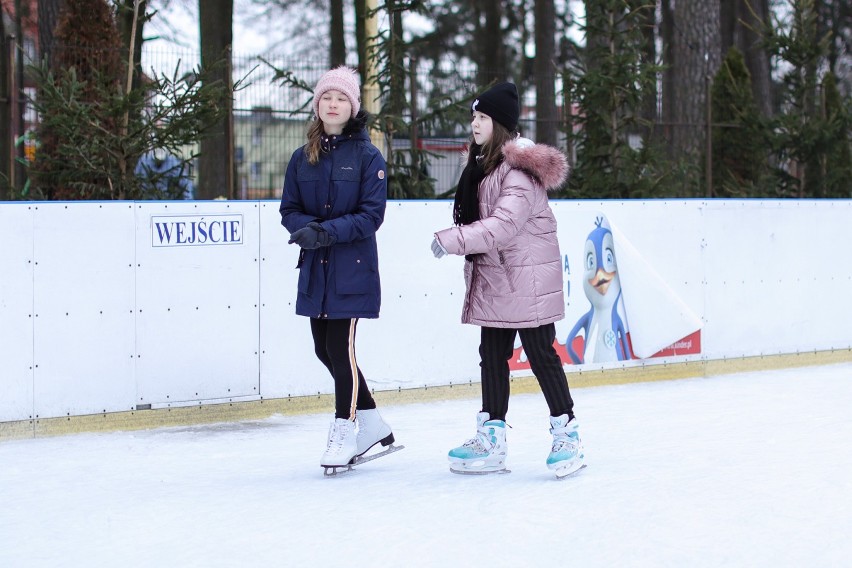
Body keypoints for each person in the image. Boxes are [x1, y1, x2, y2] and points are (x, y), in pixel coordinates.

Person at [431, 82, 584, 477]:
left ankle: (566, 432)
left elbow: (502, 225)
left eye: (482, 117)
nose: (474, 124)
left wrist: (453, 241)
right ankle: (492, 437)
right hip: (497, 277)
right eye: (473, 116)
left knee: (541, 355)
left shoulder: (518, 173)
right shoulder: (483, 166)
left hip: (528, 280)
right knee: (492, 357)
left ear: (499, 124)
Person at [280, 66, 394, 471]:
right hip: (316, 267)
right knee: (322, 348)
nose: (333, 104)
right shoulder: (302, 157)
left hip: (351, 268)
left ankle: (345, 430)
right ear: (318, 105)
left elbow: (370, 216)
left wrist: (324, 233)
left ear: (352, 107)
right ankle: (374, 423)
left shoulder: (367, 157)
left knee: (340, 349)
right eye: (327, 97)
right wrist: (303, 231)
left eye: (341, 99)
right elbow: (289, 208)